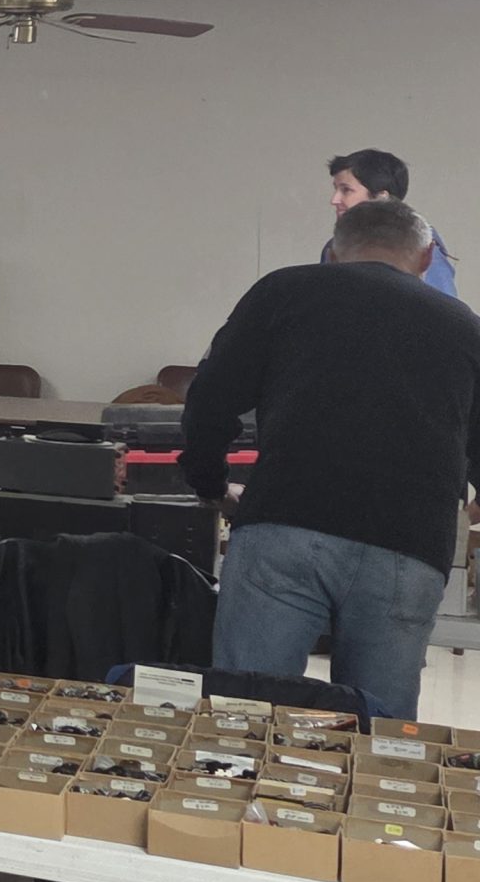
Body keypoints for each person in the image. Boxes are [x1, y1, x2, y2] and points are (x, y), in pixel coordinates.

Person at [182, 199, 480, 718]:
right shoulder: (466, 328)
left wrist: (210, 483)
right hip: (410, 544)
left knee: (245, 712)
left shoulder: (284, 291)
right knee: (378, 727)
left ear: (335, 251)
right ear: (428, 256)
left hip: (284, 523)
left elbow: (210, 399)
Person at [323, 148, 456, 297]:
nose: (334, 200)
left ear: (381, 198)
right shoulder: (334, 245)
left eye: (346, 190)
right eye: (336, 189)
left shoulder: (420, 247)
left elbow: (441, 307)